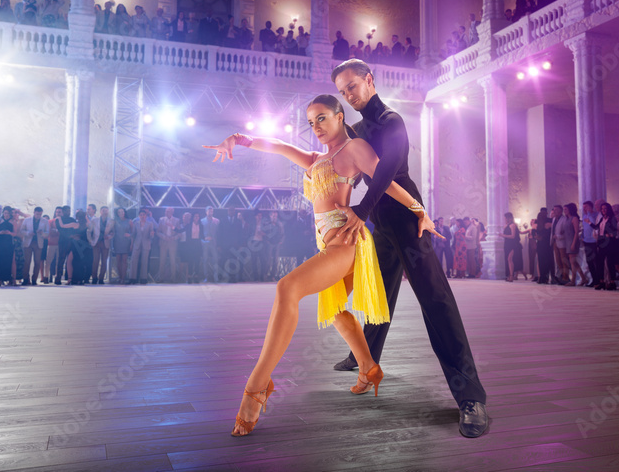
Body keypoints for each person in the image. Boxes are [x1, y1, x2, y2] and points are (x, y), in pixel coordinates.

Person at [203, 93, 439, 437]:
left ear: (341, 116)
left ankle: (257, 386)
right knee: (335, 311)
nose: (316, 127)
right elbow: (279, 146)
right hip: (327, 242)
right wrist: (239, 139)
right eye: (311, 122)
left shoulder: (354, 150)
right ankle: (369, 368)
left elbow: (386, 181)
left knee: (288, 288)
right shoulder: (315, 158)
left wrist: (420, 210)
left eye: (322, 118)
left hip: (346, 243)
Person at [325, 59, 488, 437]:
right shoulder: (358, 129)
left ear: (369, 81)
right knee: (379, 292)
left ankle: (471, 398)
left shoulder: (393, 122)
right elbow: (343, 158)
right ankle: (363, 357)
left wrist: (362, 210)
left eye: (352, 86)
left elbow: (387, 168)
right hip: (382, 222)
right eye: (343, 91)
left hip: (407, 221)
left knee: (436, 302)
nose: (349, 95)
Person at [20, 206, 48, 285]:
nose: (38, 216)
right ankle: (25, 279)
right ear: (34, 213)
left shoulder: (45, 221)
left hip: (38, 243)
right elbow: (22, 230)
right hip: (28, 242)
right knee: (26, 262)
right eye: (37, 214)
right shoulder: (27, 220)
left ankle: (34, 279)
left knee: (37, 262)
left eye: (40, 214)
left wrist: (42, 233)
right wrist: (28, 233)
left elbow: (47, 233)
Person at [0, 207, 16, 285]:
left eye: (8, 213)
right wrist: (0, 232)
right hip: (0, 242)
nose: (6, 215)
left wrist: (9, 232)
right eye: (5, 213)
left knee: (8, 261)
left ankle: (8, 279)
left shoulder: (13, 221)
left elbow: (15, 233)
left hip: (9, 243)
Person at [91, 206, 113, 284]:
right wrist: (91, 241)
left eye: (106, 211)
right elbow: (90, 231)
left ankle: (101, 278)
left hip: (105, 243)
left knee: (104, 261)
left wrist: (110, 236)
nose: (105, 212)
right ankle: (94, 278)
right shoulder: (94, 220)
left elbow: (113, 232)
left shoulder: (111, 221)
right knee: (95, 261)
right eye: (103, 210)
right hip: (96, 243)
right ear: (100, 212)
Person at [111, 207, 132, 284]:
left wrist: (129, 235)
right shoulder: (115, 221)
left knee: (124, 260)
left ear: (124, 212)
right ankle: (120, 277)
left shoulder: (129, 221)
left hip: (126, 242)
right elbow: (112, 231)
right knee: (118, 260)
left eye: (122, 212)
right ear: (117, 213)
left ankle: (123, 278)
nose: (120, 213)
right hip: (117, 241)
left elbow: (133, 233)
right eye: (119, 212)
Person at [157, 208, 179, 282]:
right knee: (162, 261)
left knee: (173, 261)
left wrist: (173, 238)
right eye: (165, 211)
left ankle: (173, 278)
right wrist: (164, 237)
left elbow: (179, 233)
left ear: (172, 212)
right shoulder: (161, 219)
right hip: (163, 242)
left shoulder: (177, 220)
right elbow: (158, 232)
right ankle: (161, 278)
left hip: (172, 243)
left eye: (168, 211)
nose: (166, 212)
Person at [201, 207, 220, 282]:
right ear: (206, 212)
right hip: (204, 243)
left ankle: (216, 277)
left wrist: (213, 238)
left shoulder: (217, 221)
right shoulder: (202, 221)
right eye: (209, 211)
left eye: (212, 211)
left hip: (214, 243)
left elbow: (219, 233)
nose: (210, 212)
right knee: (205, 260)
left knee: (215, 260)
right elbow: (200, 232)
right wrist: (204, 238)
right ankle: (206, 277)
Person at [502, 212, 520, 282]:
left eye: (505, 218)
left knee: (510, 259)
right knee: (508, 260)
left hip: (512, 244)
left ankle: (511, 276)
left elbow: (513, 236)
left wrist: (503, 235)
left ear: (509, 218)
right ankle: (509, 275)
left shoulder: (512, 225)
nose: (505, 219)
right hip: (507, 244)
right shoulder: (506, 225)